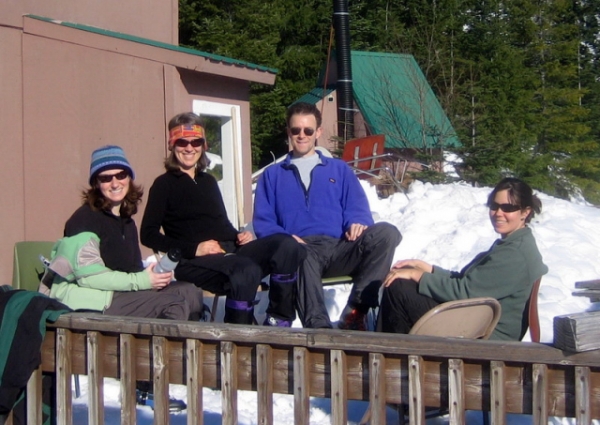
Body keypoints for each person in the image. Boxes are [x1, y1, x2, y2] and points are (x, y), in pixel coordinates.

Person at [48, 145, 203, 410]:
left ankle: (166, 367)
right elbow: (90, 277)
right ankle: (149, 384)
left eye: (120, 175)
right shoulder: (84, 221)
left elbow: (129, 270)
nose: (114, 182)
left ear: (129, 178)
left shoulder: (124, 220)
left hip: (116, 294)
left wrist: (153, 274)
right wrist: (143, 282)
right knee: (172, 305)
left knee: (189, 292)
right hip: (89, 301)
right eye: (105, 178)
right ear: (96, 184)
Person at [140, 112, 305, 326]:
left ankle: (279, 320)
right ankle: (239, 333)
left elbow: (220, 223)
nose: (189, 148)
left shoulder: (208, 181)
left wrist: (238, 236)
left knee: (286, 245)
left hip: (229, 251)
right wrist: (194, 249)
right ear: (172, 145)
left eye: (196, 141)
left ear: (203, 145)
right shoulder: (164, 184)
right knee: (245, 270)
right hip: (193, 262)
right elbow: (148, 234)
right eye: (182, 142)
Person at [253, 102, 402, 330]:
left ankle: (355, 311)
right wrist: (285, 240)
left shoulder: (338, 169)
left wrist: (357, 221)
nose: (302, 136)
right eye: (296, 130)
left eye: (308, 130)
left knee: (387, 233)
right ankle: (319, 328)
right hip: (300, 249)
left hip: (338, 248)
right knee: (298, 254)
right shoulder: (272, 175)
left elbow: (356, 205)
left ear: (318, 133)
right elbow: (263, 222)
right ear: (288, 132)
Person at [379, 177, 549, 340]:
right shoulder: (515, 243)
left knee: (399, 288)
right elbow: (469, 282)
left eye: (508, 208)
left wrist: (417, 276)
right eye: (494, 206)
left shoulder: (515, 254)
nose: (498, 213)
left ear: (525, 212)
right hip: (476, 322)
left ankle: (390, 355)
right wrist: (427, 269)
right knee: (401, 277)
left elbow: (465, 292)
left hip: (487, 336)